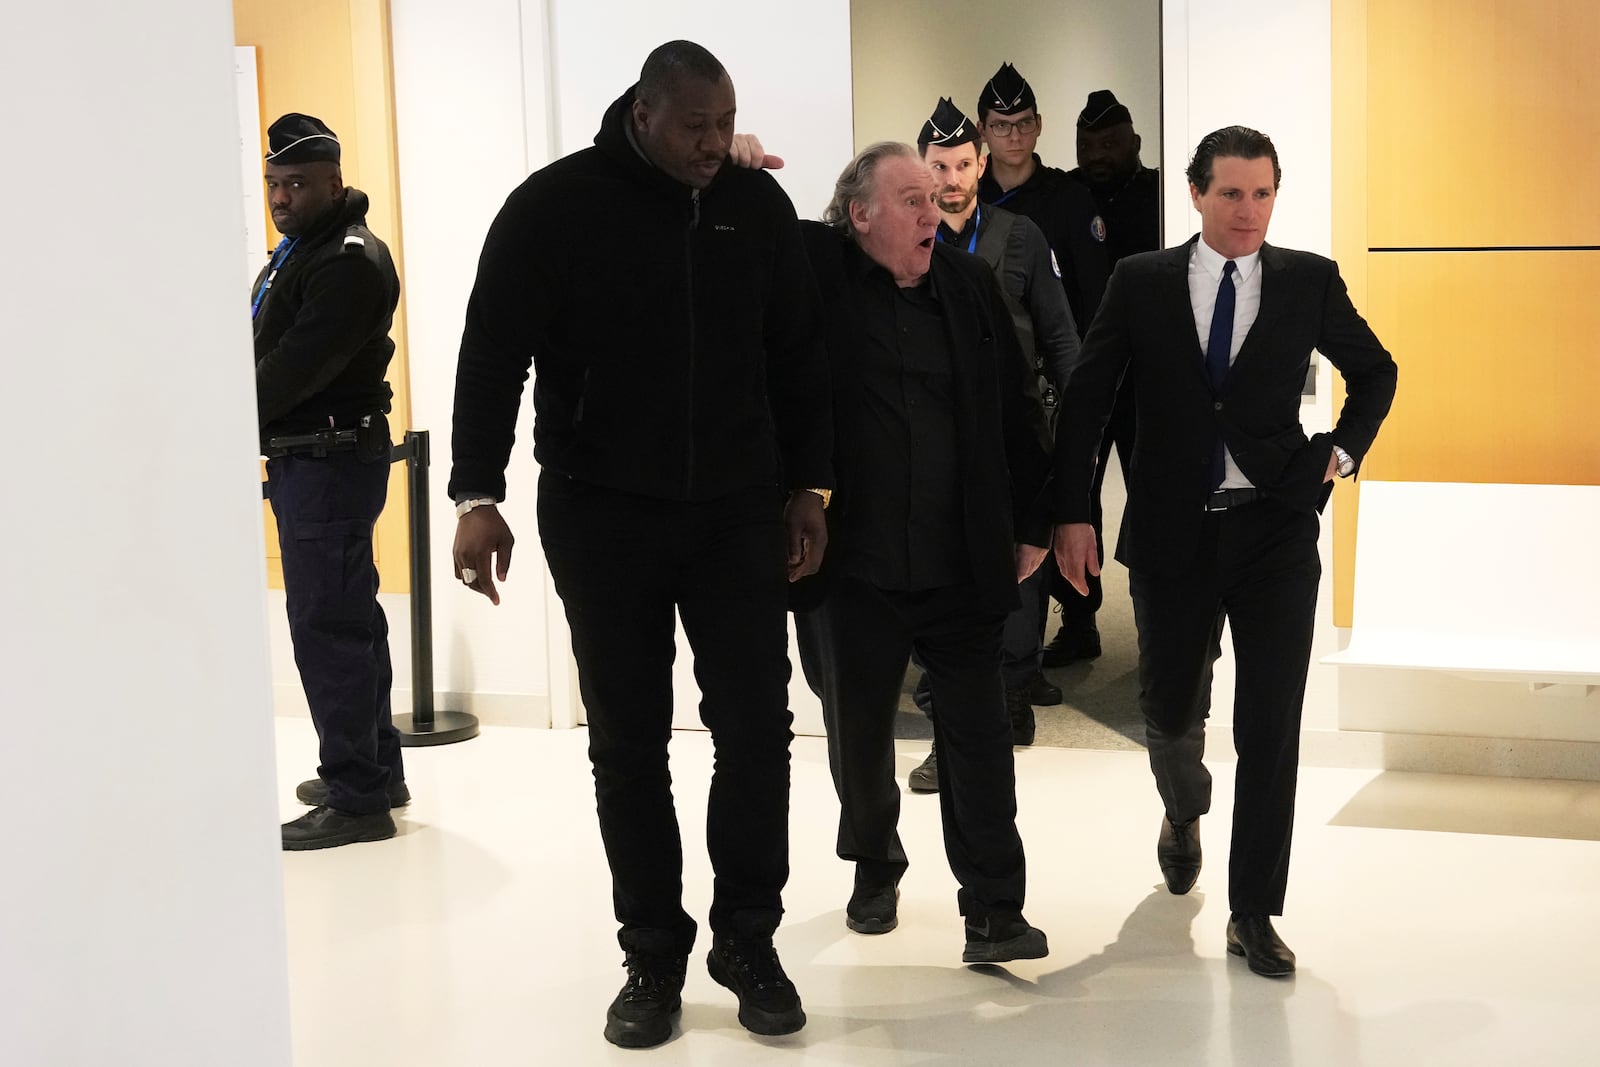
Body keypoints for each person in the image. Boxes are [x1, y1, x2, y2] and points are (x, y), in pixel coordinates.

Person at [447, 41, 832, 1050]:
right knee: (629, 740)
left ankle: (747, 936)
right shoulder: (554, 207)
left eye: (724, 125)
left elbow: (799, 355)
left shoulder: (758, 210)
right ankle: (651, 952)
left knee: (756, 727)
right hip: (600, 509)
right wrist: (477, 493)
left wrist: (810, 486)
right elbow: (492, 349)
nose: (712, 145)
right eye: (694, 127)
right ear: (645, 112)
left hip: (737, 510)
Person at [1052, 126, 1397, 978]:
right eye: (1233, 193)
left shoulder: (1308, 281)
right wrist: (1071, 512)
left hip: (1276, 526)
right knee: (1168, 713)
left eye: (1264, 193)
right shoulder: (1142, 281)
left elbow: (1377, 371)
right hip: (1174, 528)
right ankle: (1183, 807)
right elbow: (1088, 399)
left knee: (1271, 723)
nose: (1249, 212)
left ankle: (1253, 911)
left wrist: (1339, 451)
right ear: (1197, 194)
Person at [792, 141, 1052, 964]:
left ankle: (994, 908)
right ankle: (874, 865)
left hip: (958, 557)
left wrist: (1036, 518)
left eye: (934, 196)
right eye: (909, 198)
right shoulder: (819, 273)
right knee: (859, 734)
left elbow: (1015, 407)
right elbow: (757, 227)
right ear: (858, 214)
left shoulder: (969, 286)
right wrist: (735, 156)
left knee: (978, 738)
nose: (931, 208)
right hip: (857, 565)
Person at [904, 98, 1081, 793]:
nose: (950, 178)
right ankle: (943, 727)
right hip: (929, 439)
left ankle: (1012, 688)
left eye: (961, 163)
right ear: (922, 169)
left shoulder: (1020, 235)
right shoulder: (907, 235)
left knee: (1019, 566)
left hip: (1011, 433)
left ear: (982, 163)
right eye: (937, 165)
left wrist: (1076, 430)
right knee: (939, 581)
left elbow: (1061, 336)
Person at [254, 112, 407, 852]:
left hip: (327, 459)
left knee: (329, 624)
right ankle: (378, 767)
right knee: (351, 615)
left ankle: (355, 793)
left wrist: (221, 417)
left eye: (296, 184)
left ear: (333, 181)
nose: (282, 197)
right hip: (314, 459)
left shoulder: (345, 259)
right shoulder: (303, 251)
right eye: (274, 185)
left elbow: (290, 369)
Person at [973, 62, 1114, 669]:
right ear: (983, 132)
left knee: (1074, 501)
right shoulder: (965, 200)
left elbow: (1097, 294)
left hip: (1065, 372)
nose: (1013, 135)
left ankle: (1079, 619)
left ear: (1038, 125)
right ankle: (1011, 651)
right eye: (1001, 125)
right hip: (999, 392)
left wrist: (1088, 379)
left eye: (1023, 123)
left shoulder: (1067, 198)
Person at [1044, 88, 1167, 668]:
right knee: (1076, 501)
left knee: (1151, 493)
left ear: (1135, 143)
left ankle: (1160, 618)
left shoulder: (1159, 197)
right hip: (1084, 373)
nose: (1096, 154)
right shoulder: (1064, 197)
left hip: (1146, 376)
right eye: (1086, 144)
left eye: (1109, 143)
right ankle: (1078, 620)